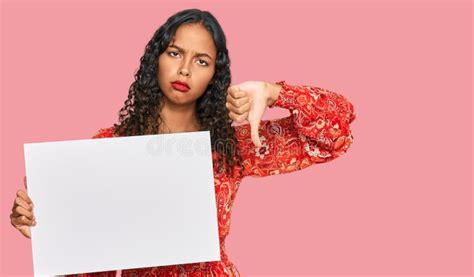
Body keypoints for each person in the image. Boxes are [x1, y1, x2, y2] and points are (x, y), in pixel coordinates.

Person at [10, 8, 356, 277]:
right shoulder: (110, 146)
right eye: (175, 53)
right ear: (155, 59)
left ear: (214, 76)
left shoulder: (229, 145)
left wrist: (274, 91)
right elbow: (94, 263)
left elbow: (334, 136)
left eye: (201, 61)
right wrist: (50, 232)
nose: (185, 70)